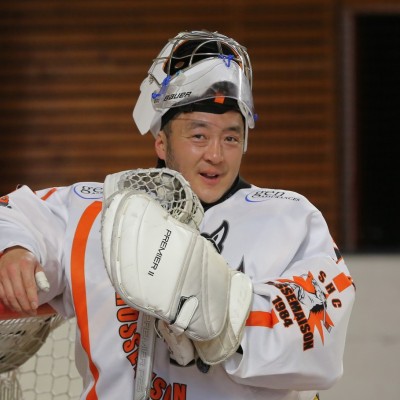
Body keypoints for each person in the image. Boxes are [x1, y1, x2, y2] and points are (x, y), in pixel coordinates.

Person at [0, 30, 355, 400]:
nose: (216, 155)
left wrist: (220, 315)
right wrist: (15, 248)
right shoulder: (97, 209)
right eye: (198, 136)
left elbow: (320, 341)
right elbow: (15, 214)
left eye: (231, 138)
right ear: (161, 141)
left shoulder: (289, 218)